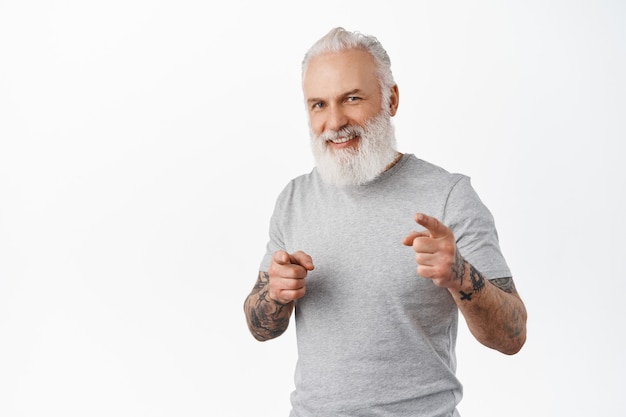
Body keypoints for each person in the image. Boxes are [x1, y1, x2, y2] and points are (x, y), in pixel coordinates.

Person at [243, 27, 527, 417]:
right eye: (318, 105)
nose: (335, 121)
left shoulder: (449, 195)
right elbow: (260, 328)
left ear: (391, 99)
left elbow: (513, 336)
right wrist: (274, 295)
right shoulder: (294, 199)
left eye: (352, 98)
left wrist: (461, 275)